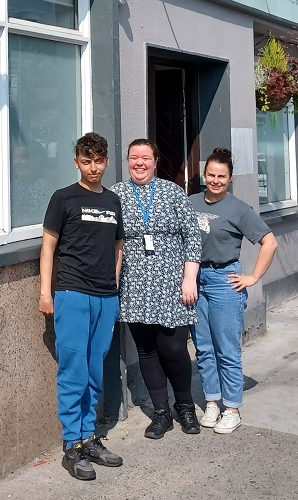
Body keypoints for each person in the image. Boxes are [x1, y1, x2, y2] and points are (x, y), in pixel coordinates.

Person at [39, 132, 124, 481]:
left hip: (106, 296)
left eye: (98, 160)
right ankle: (71, 445)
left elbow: (118, 245)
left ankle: (88, 438)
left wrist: (115, 282)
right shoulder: (64, 199)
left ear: (106, 162)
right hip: (72, 293)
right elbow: (48, 249)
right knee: (73, 370)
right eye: (86, 160)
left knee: (95, 370)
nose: (93, 167)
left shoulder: (113, 200)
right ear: (76, 162)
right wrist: (46, 292)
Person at [110, 138, 202, 439]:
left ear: (155, 160)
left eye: (145, 157)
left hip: (172, 282)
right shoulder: (117, 194)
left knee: (174, 348)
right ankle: (161, 412)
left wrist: (189, 278)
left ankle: (185, 406)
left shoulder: (173, 192)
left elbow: (193, 236)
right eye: (133, 157)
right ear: (127, 161)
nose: (139, 162)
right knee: (146, 349)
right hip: (134, 284)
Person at [189, 148, 278, 434]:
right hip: (195, 279)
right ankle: (212, 402)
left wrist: (252, 277)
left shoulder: (239, 209)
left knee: (226, 349)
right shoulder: (189, 203)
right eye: (211, 175)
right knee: (203, 348)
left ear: (230, 179)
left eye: (221, 177)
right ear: (204, 175)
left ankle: (232, 408)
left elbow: (269, 243)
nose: (215, 181)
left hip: (224, 280)